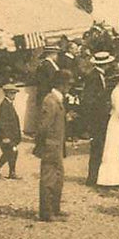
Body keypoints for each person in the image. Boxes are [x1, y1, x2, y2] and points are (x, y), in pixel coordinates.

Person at [34, 70, 69, 222]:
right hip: (50, 145)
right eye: (68, 85)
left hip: (56, 145)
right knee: (49, 178)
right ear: (62, 85)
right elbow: (43, 126)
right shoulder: (50, 100)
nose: (69, 88)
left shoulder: (57, 100)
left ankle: (55, 208)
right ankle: (46, 212)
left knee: (58, 177)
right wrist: (42, 145)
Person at [83, 51, 114, 185]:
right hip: (97, 118)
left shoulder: (100, 76)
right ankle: (92, 177)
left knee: (100, 146)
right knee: (97, 146)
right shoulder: (93, 77)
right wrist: (103, 104)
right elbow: (89, 99)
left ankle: (98, 176)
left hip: (100, 117)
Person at [0, 84, 22, 180]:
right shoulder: (4, 105)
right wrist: (5, 137)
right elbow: (2, 123)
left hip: (11, 135)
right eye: (11, 93)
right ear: (6, 93)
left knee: (12, 152)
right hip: (5, 136)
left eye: (14, 93)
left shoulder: (9, 104)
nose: (13, 95)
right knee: (10, 152)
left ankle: (11, 172)